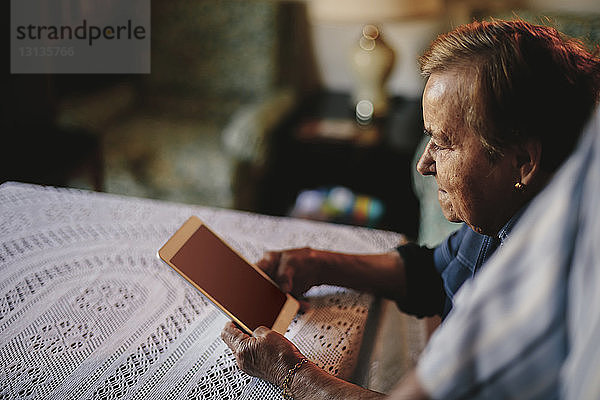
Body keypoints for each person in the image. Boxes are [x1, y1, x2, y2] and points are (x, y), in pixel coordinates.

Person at [221, 19, 600, 399]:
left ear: (523, 162)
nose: (424, 163)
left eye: (444, 142)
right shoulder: (507, 211)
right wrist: (315, 263)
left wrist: (289, 373)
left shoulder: (539, 289)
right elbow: (434, 271)